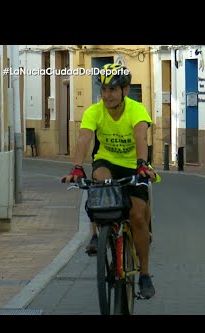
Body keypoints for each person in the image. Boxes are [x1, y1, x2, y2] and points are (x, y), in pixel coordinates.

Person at [62, 63, 160, 299]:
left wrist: (141, 163)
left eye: (113, 90)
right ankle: (98, 234)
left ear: (125, 90)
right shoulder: (93, 112)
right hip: (106, 161)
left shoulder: (136, 110)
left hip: (133, 165)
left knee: (137, 217)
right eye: (104, 89)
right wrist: (77, 167)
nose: (107, 95)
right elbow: (85, 139)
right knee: (99, 181)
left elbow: (140, 135)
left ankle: (144, 275)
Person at [85, 133, 100, 256]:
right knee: (94, 192)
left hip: (130, 159)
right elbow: (84, 136)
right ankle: (95, 235)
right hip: (101, 159)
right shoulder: (98, 114)